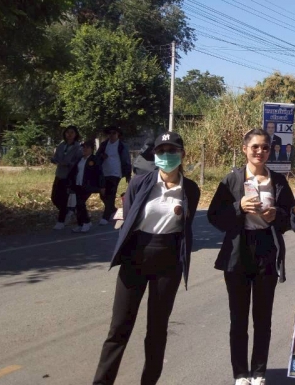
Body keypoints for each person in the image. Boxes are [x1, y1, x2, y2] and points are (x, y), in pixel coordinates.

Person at [93, 131, 200, 385]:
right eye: (161, 151)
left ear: (182, 154)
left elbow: (185, 226)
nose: (166, 155)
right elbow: (129, 218)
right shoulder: (140, 183)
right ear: (155, 154)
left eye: (172, 151)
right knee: (119, 328)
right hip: (135, 258)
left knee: (157, 330)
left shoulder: (190, 190)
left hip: (168, 263)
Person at [207, 128, 295, 385]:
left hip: (266, 250)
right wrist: (239, 207)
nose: (260, 151)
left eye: (265, 147)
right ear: (245, 149)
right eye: (255, 147)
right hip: (238, 251)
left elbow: (290, 216)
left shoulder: (277, 181)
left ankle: (258, 372)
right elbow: (214, 216)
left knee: (263, 318)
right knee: (238, 319)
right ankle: (240, 374)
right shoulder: (232, 180)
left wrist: (276, 215)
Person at [98, 126, 132, 226]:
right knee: (102, 195)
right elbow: (97, 156)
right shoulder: (104, 144)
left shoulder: (122, 146)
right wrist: (101, 156)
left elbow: (127, 160)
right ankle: (113, 210)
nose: (112, 135)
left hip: (116, 173)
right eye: (110, 133)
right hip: (104, 172)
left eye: (114, 133)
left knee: (111, 194)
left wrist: (128, 174)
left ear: (118, 134)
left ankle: (106, 216)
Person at [50, 125, 83, 230]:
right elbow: (56, 157)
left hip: (69, 175)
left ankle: (61, 221)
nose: (69, 134)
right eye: (68, 132)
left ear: (75, 134)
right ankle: (69, 211)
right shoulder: (61, 145)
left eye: (72, 132)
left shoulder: (78, 147)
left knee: (64, 198)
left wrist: (69, 164)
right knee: (54, 198)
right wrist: (54, 160)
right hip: (59, 174)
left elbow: (79, 160)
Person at [70, 140, 102, 233]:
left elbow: (99, 173)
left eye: (87, 147)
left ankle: (86, 222)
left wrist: (102, 186)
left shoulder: (94, 159)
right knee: (78, 205)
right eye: (83, 147)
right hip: (78, 184)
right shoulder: (80, 159)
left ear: (91, 149)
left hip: (88, 185)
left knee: (80, 203)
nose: (84, 149)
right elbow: (74, 171)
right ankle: (80, 224)